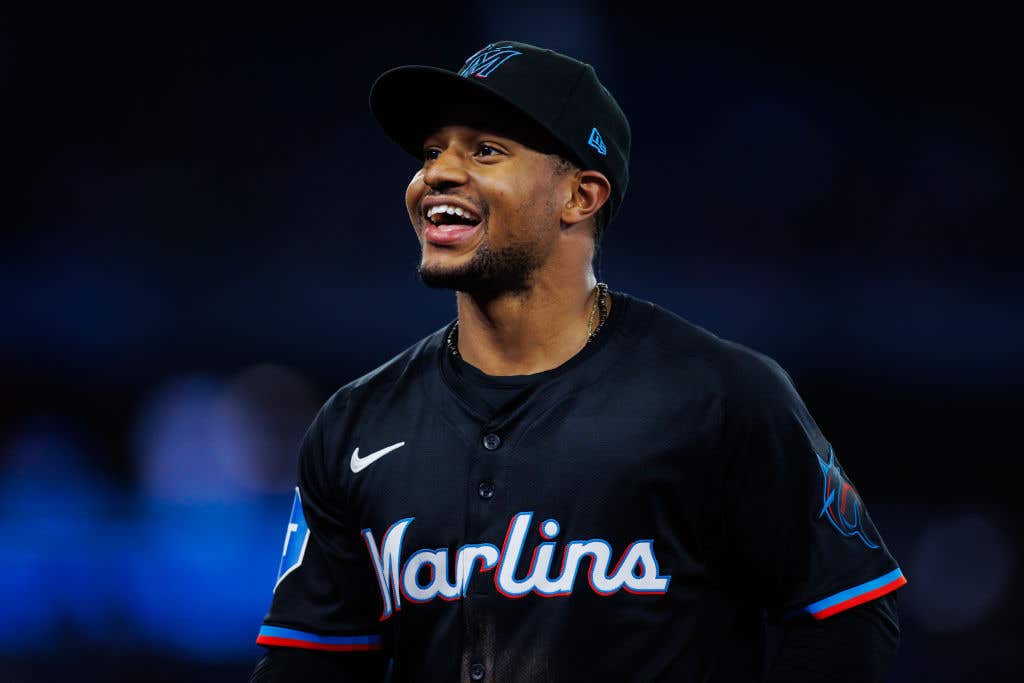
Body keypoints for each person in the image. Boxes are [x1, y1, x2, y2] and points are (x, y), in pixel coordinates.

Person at [250, 40, 906, 682]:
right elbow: (309, 659)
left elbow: (848, 615)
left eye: (484, 150)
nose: (437, 174)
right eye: (431, 151)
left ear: (579, 196)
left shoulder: (719, 394)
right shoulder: (356, 423)